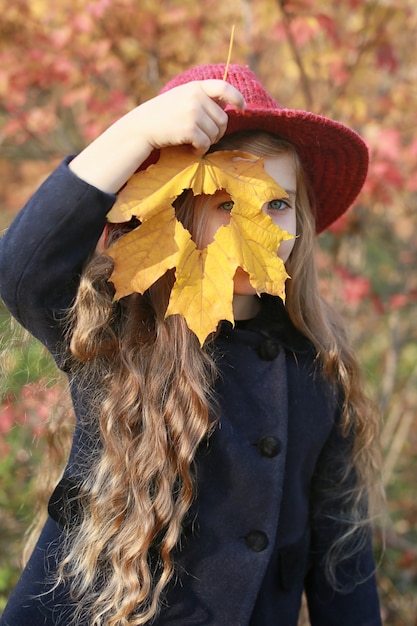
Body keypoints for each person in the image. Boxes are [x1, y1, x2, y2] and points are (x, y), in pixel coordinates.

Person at [0, 63, 383, 626]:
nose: (260, 230)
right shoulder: (122, 332)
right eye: (226, 204)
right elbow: (22, 269)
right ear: (176, 213)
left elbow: (340, 559)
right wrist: (136, 133)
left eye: (276, 204)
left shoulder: (317, 365)